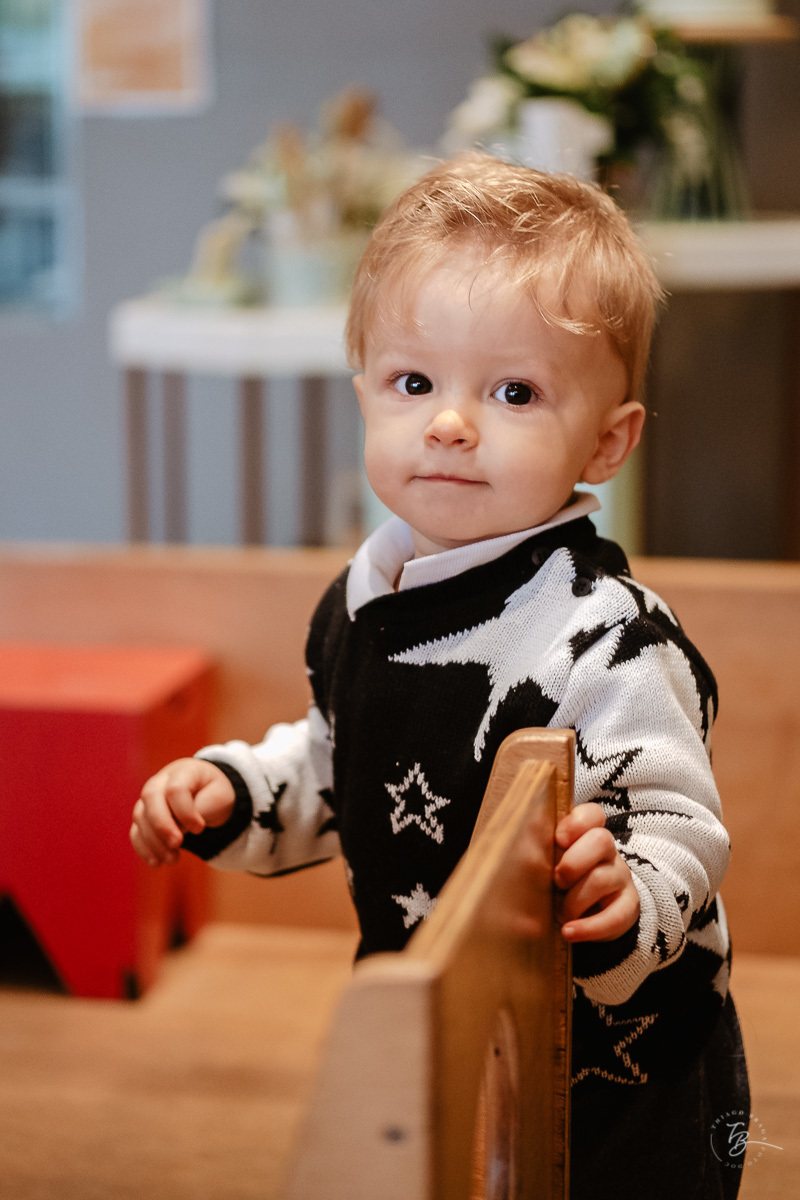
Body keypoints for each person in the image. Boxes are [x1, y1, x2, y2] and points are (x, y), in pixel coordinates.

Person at [130, 153, 749, 1199]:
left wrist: (626, 893)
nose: (451, 423)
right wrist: (236, 791)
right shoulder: (361, 598)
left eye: (513, 391)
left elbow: (679, 823)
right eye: (413, 383)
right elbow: (340, 761)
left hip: (624, 1058)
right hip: (449, 1025)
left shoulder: (598, 636)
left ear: (606, 440)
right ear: (365, 389)